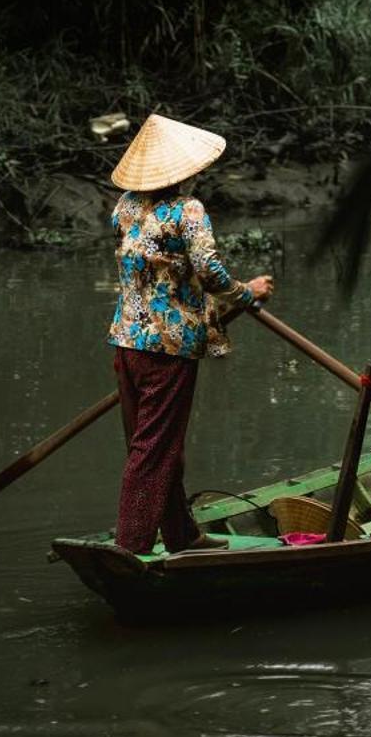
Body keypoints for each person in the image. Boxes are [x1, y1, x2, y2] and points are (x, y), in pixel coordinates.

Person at [104, 114, 274, 554]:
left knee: (155, 446)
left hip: (125, 344)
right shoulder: (188, 210)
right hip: (167, 348)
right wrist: (245, 294)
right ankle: (131, 549)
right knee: (153, 451)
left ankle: (181, 537)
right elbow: (209, 270)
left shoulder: (123, 206)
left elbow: (153, 271)